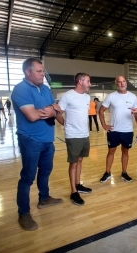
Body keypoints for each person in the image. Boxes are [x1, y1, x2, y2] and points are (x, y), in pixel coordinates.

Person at [11, 58, 63, 231]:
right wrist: (51, 109)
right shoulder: (21, 89)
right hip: (30, 140)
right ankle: (23, 213)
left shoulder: (46, 88)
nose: (43, 74)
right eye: (39, 71)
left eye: (43, 71)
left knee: (46, 171)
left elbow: (56, 109)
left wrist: (52, 109)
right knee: (27, 178)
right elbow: (32, 116)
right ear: (28, 72)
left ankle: (44, 198)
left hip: (48, 139)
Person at [98, 75, 137, 183]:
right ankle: (107, 172)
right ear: (116, 84)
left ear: (126, 83)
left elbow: (136, 114)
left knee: (125, 151)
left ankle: (124, 172)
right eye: (119, 82)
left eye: (123, 81)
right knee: (111, 151)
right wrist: (104, 125)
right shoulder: (111, 96)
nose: (122, 83)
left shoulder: (133, 97)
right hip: (114, 130)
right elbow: (101, 110)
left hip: (128, 131)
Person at [56, 73, 93, 206]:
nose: (90, 84)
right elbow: (57, 112)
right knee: (74, 163)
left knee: (80, 160)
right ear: (80, 81)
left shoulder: (87, 97)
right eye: (88, 81)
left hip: (85, 134)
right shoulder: (67, 96)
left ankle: (78, 184)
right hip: (73, 135)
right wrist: (65, 125)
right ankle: (73, 191)